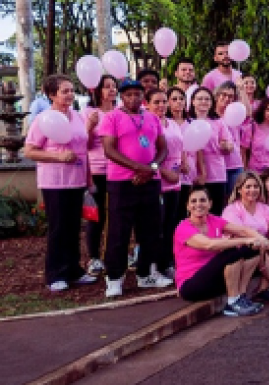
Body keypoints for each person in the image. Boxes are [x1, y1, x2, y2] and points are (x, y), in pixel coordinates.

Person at [174, 187, 269, 315]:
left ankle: (244, 296)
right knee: (232, 252)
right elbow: (210, 245)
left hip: (216, 279)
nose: (198, 204)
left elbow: (243, 230)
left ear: (210, 204)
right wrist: (245, 240)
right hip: (192, 286)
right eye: (193, 201)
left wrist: (263, 241)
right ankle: (233, 302)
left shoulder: (213, 220)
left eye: (203, 200)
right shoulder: (184, 228)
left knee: (253, 250)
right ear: (187, 206)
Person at [98, 79, 173, 297]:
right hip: (122, 183)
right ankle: (114, 278)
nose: (133, 98)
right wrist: (139, 168)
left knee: (151, 230)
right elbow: (109, 150)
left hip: (150, 181)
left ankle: (145, 274)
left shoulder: (151, 117)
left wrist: (152, 168)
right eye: (128, 94)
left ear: (143, 96)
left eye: (137, 94)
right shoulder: (112, 117)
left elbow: (163, 148)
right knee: (118, 232)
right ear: (122, 96)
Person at [24, 75, 97, 291]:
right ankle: (55, 274)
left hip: (77, 181)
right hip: (54, 182)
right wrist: (57, 157)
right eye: (64, 91)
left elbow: (84, 146)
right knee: (58, 228)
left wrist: (91, 128)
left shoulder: (77, 117)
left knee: (73, 227)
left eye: (71, 90)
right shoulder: (44, 119)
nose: (70, 95)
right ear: (52, 94)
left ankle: (73, 270)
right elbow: (29, 150)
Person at [148, 89, 186, 278]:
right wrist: (163, 172)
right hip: (156, 181)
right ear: (147, 104)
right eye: (157, 102)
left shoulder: (172, 124)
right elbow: (145, 155)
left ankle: (167, 262)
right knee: (157, 226)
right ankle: (153, 265)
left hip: (175, 182)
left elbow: (181, 149)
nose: (161, 106)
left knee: (171, 224)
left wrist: (179, 170)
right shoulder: (147, 125)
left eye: (164, 102)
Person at [83, 74, 118, 276]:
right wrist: (89, 126)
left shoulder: (120, 112)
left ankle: (113, 254)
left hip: (118, 171)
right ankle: (94, 257)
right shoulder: (89, 112)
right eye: (107, 86)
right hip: (96, 170)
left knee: (116, 215)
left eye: (114, 86)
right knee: (97, 216)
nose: (111, 90)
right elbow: (83, 144)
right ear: (97, 90)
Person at [188, 86, 234, 214]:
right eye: (200, 98)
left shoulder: (218, 121)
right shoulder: (188, 121)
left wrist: (226, 146)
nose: (203, 101)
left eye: (207, 99)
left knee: (215, 211)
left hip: (216, 173)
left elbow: (229, 144)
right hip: (192, 174)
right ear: (193, 101)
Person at [242, 98, 269, 172]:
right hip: (254, 173)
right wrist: (244, 170)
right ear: (262, 111)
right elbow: (243, 151)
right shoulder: (251, 128)